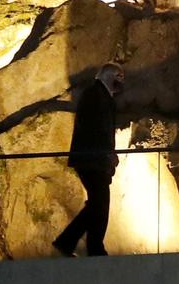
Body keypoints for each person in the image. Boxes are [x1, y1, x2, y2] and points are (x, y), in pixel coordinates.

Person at [54, 62, 124, 258]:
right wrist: (107, 155)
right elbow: (98, 129)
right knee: (100, 203)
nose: (122, 82)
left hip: (92, 159)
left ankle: (71, 242)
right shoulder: (97, 95)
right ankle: (91, 247)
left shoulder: (97, 95)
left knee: (97, 203)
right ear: (110, 76)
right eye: (119, 77)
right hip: (92, 159)